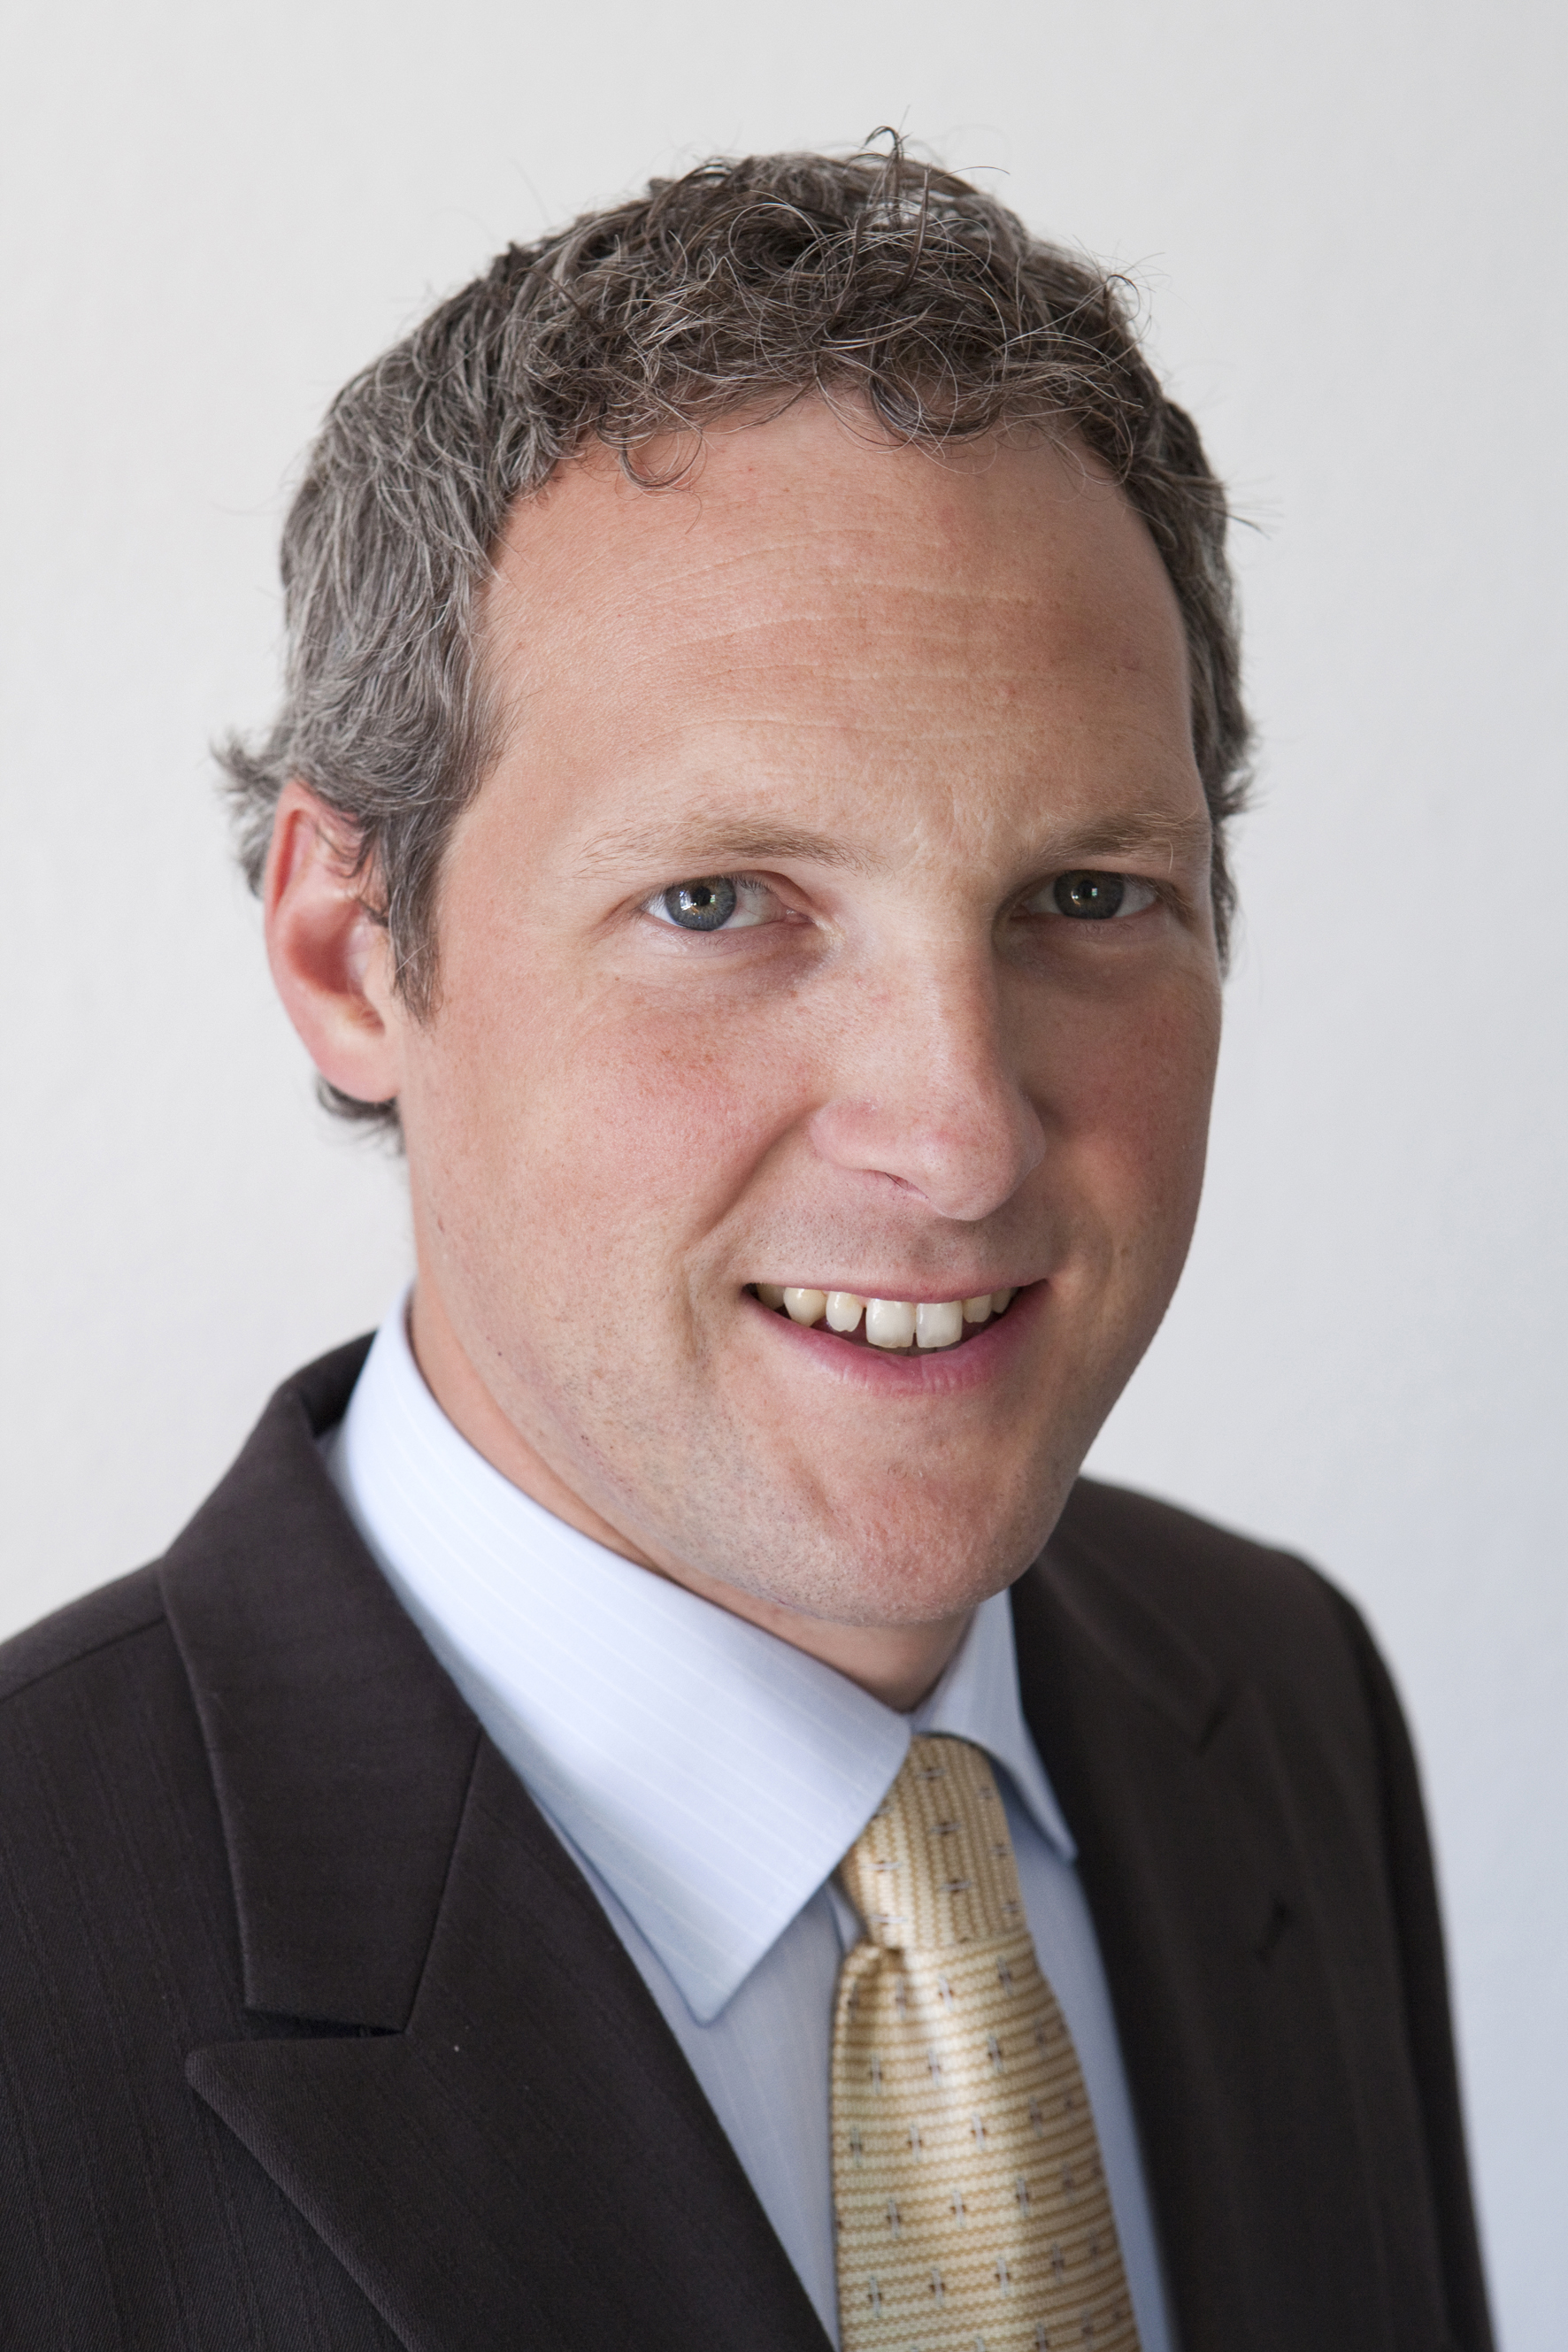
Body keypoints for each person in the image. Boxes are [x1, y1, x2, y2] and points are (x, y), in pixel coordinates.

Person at [0, 148, 1493, 2352]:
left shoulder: (1276, 1698)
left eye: (1087, 896)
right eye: (717, 904)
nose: (957, 1135)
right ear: (347, 949)